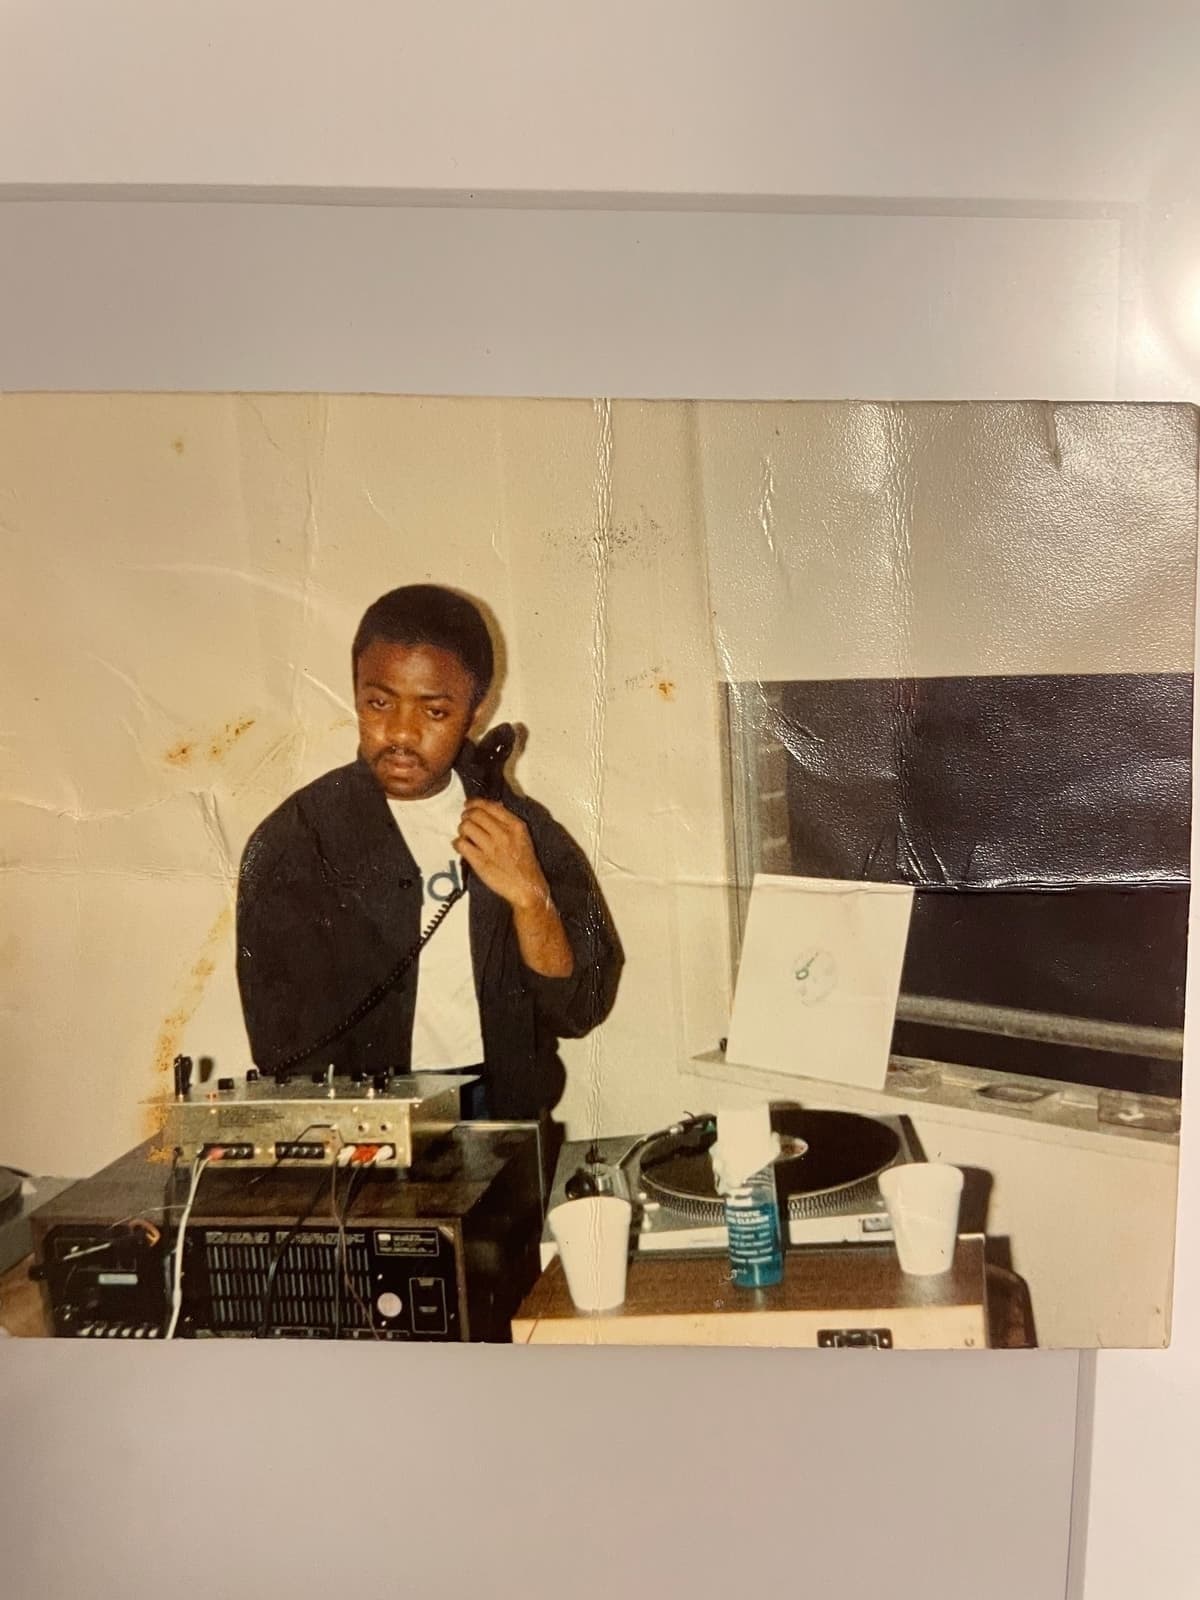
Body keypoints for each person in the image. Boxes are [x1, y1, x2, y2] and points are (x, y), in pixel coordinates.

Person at [235, 584, 622, 1127]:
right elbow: (280, 1045)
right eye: (379, 702)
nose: (400, 732)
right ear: (354, 693)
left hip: (501, 1113)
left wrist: (532, 899)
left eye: (434, 711)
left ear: (476, 711)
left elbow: (579, 1008)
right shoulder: (294, 840)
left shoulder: (523, 829)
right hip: (360, 1123)